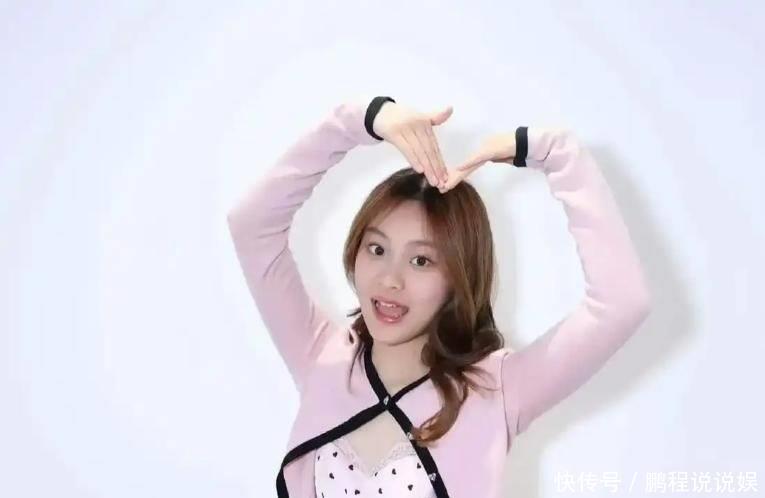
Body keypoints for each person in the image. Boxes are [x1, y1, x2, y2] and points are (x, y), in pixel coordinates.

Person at [226, 96, 652, 498]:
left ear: (458, 277)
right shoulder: (322, 357)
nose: (390, 279)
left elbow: (621, 302)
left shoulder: (498, 390)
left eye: (421, 261)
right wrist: (361, 119)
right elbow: (250, 225)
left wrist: (553, 152)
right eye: (377, 249)